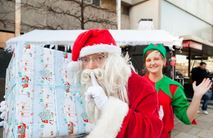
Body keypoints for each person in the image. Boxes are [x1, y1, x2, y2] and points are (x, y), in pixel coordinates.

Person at [67, 29, 163, 138]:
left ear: (113, 59)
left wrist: (108, 106)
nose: (91, 66)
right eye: (85, 60)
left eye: (99, 57)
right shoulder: (77, 87)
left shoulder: (141, 87)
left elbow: (151, 131)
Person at [142, 43, 212, 138]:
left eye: (156, 59)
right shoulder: (136, 83)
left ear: (164, 61)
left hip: (163, 135)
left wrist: (197, 97)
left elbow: (187, 118)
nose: (152, 63)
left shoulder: (174, 87)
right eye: (148, 60)